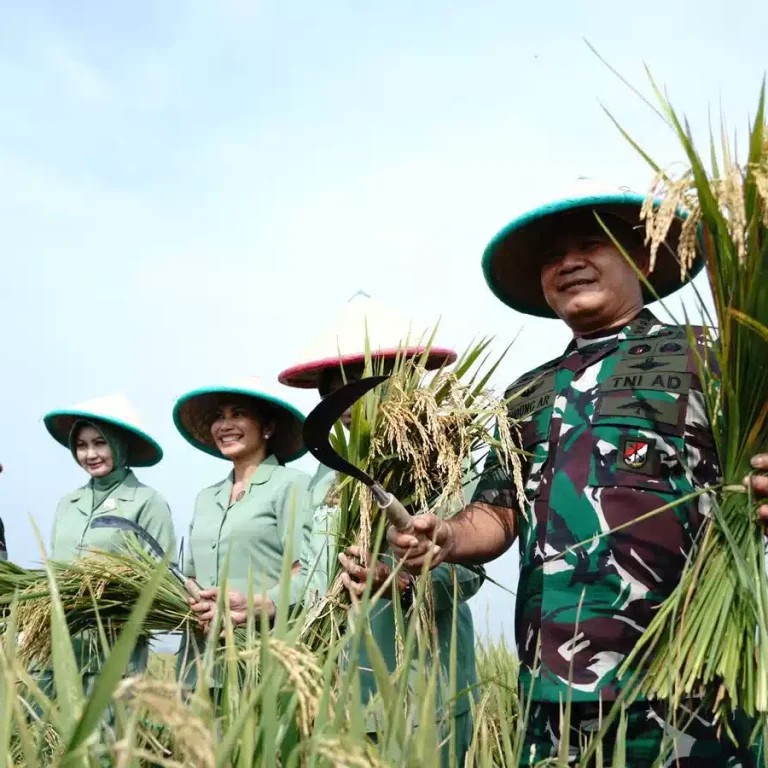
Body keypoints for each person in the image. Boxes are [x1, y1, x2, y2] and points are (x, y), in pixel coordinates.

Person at [386, 182, 768, 765]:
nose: (568, 262)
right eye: (551, 257)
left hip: (689, 682)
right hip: (552, 695)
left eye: (592, 242)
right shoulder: (528, 392)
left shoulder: (708, 356)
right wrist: (447, 537)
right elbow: (497, 510)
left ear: (638, 257)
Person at [279, 292, 483, 767]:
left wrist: (402, 583)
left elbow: (468, 568)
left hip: (420, 684)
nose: (346, 402)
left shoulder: (439, 458)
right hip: (338, 686)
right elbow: (312, 574)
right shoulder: (325, 475)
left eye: (361, 384)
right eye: (333, 390)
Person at [172, 378, 313, 691]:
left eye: (238, 414)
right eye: (219, 418)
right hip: (198, 661)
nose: (226, 425)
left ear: (267, 428)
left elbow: (306, 571)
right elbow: (192, 576)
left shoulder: (291, 485)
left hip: (264, 655)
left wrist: (257, 604)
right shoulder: (205, 498)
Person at [44, 392, 176, 688]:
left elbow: (161, 578)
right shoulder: (68, 504)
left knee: (106, 731)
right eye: (81, 445)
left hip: (114, 647)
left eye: (100, 443)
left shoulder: (147, 502)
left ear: (119, 444)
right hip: (59, 645)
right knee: (47, 729)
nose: (90, 454)